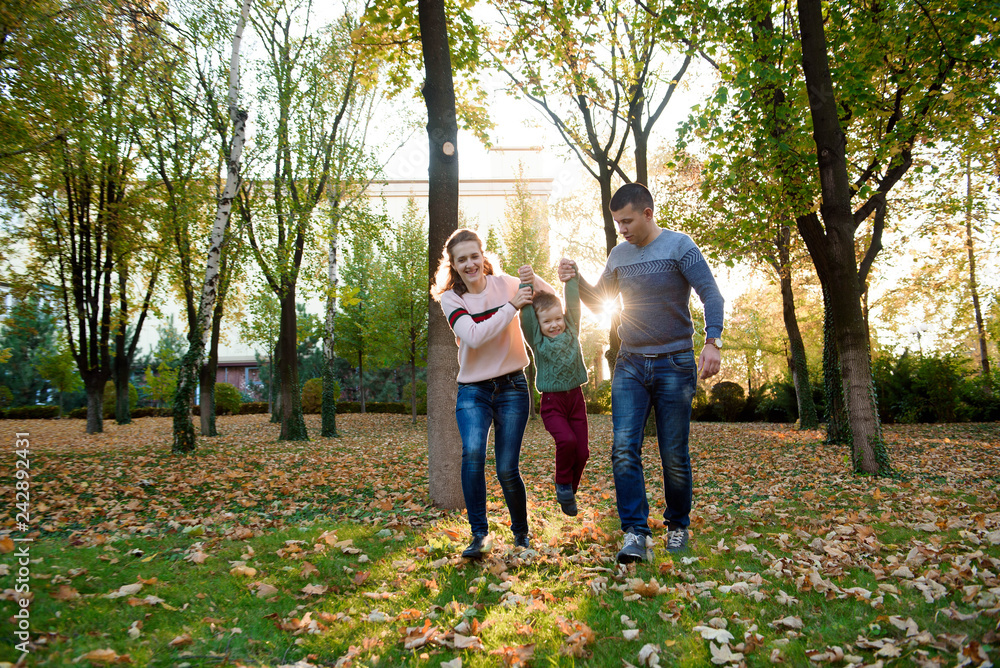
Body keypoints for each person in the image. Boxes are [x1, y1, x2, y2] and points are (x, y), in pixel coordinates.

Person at [559, 183, 723, 564]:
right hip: (630, 362)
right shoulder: (619, 254)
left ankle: (678, 525)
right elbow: (600, 301)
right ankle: (635, 532)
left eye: (628, 221)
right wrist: (574, 277)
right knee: (623, 450)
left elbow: (711, 295)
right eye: (618, 223)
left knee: (673, 453)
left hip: (675, 363)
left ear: (648, 213)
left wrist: (712, 341)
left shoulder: (680, 246)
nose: (623, 230)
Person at [431, 228, 555, 560]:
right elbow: (472, 335)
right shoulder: (452, 299)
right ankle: (479, 535)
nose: (470, 264)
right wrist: (510, 308)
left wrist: (534, 278)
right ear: (454, 266)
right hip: (474, 389)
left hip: (513, 386)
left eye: (474, 256)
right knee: (472, 453)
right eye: (462, 260)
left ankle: (520, 534)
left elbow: (549, 298)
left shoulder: (506, 285)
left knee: (506, 468)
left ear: (482, 256)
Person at [517, 264, 590, 517]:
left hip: (576, 400)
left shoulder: (571, 329)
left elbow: (573, 303)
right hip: (552, 403)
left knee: (583, 452)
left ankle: (569, 491)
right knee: (567, 440)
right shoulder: (536, 340)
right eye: (547, 321)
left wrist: (570, 278)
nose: (555, 324)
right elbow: (526, 316)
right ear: (539, 324)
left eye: (557, 318)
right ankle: (561, 483)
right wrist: (526, 283)